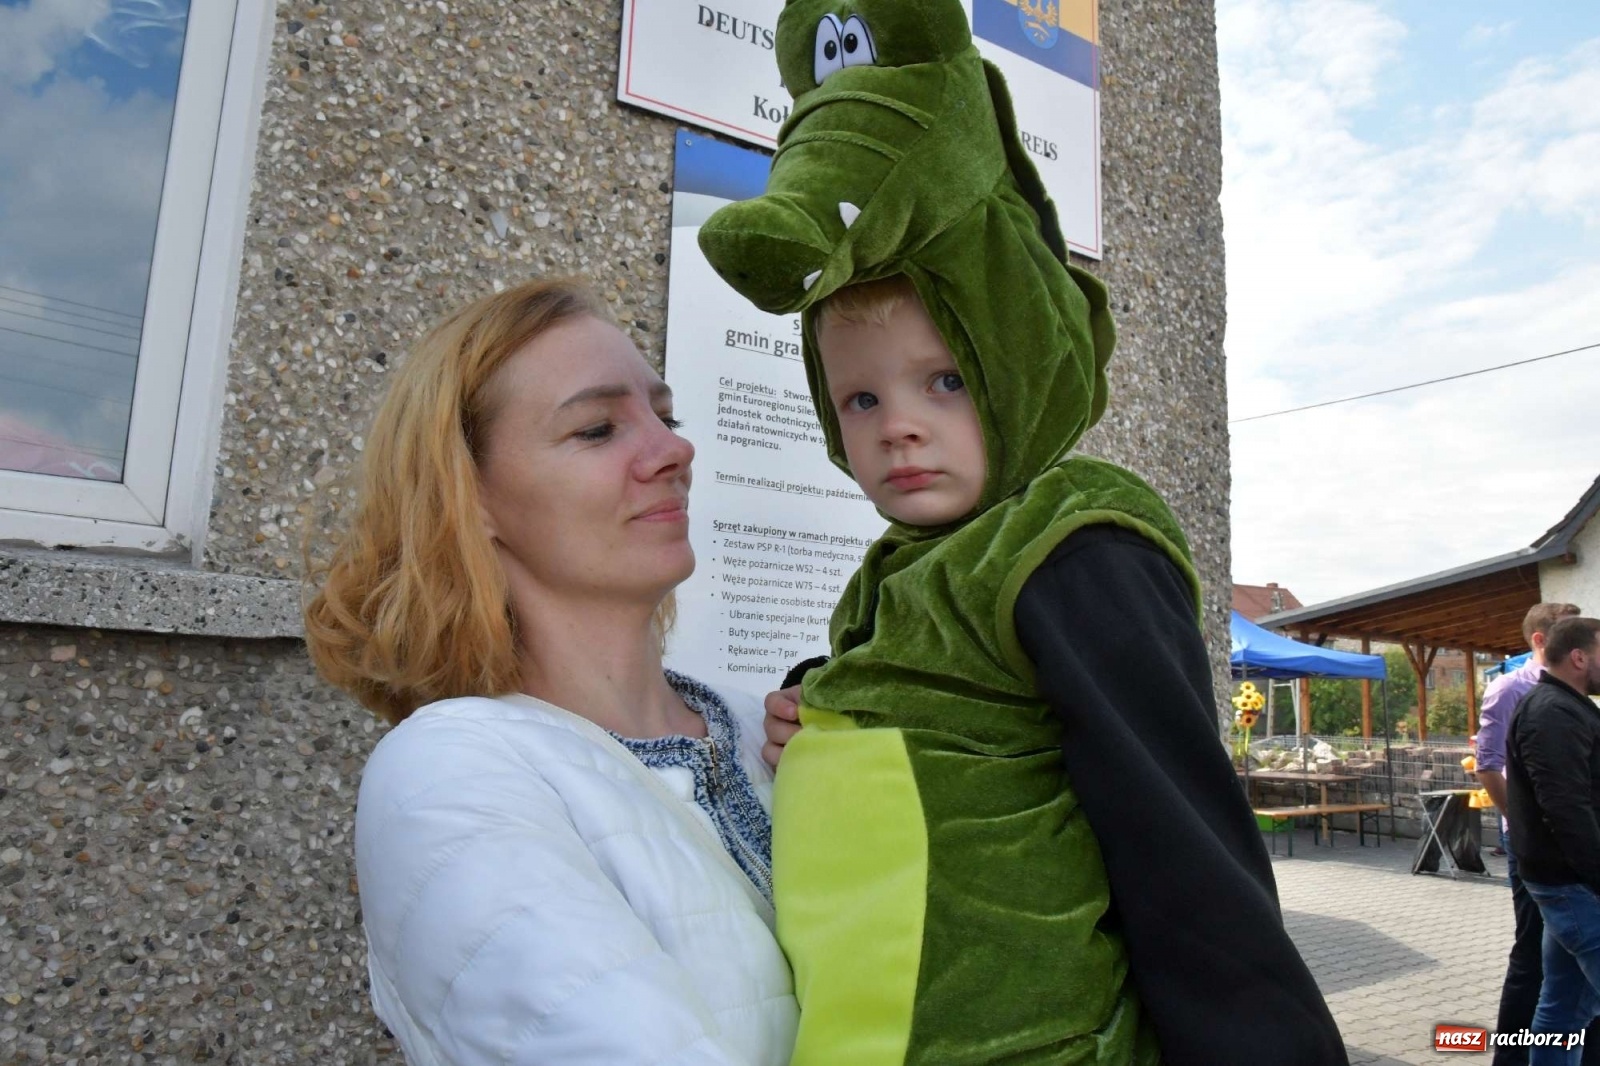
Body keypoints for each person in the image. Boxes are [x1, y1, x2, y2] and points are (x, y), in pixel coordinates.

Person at [302, 279, 797, 1063]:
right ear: (471, 496)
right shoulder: (452, 773)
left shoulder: (765, 727)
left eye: (666, 418)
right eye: (597, 429)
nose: (675, 451)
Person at [1478, 603, 1586, 1065]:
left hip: (1572, 846)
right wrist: (1524, 830)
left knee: (1566, 964)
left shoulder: (1576, 688)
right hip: (1536, 847)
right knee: (1531, 956)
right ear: (1541, 639)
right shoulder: (1511, 688)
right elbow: (1487, 766)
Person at [1506, 616, 1600, 1065]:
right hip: (1575, 886)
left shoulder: (1569, 707)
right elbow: (1566, 809)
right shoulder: (1551, 713)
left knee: (1564, 1008)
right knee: (1564, 1008)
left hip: (1571, 884)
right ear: (1579, 657)